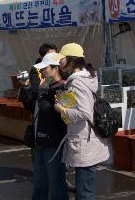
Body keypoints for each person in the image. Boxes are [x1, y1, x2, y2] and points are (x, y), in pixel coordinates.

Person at [53, 43, 109, 200]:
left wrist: (62, 110)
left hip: (84, 142)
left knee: (84, 193)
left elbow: (84, 112)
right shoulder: (87, 78)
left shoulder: (77, 82)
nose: (59, 63)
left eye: (62, 59)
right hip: (88, 139)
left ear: (71, 59)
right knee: (85, 189)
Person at [20, 52, 68, 200]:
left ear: (55, 68)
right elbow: (31, 105)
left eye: (45, 68)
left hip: (54, 144)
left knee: (56, 186)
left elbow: (58, 115)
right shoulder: (45, 87)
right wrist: (27, 88)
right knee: (39, 185)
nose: (42, 72)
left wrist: (43, 93)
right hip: (39, 142)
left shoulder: (63, 87)